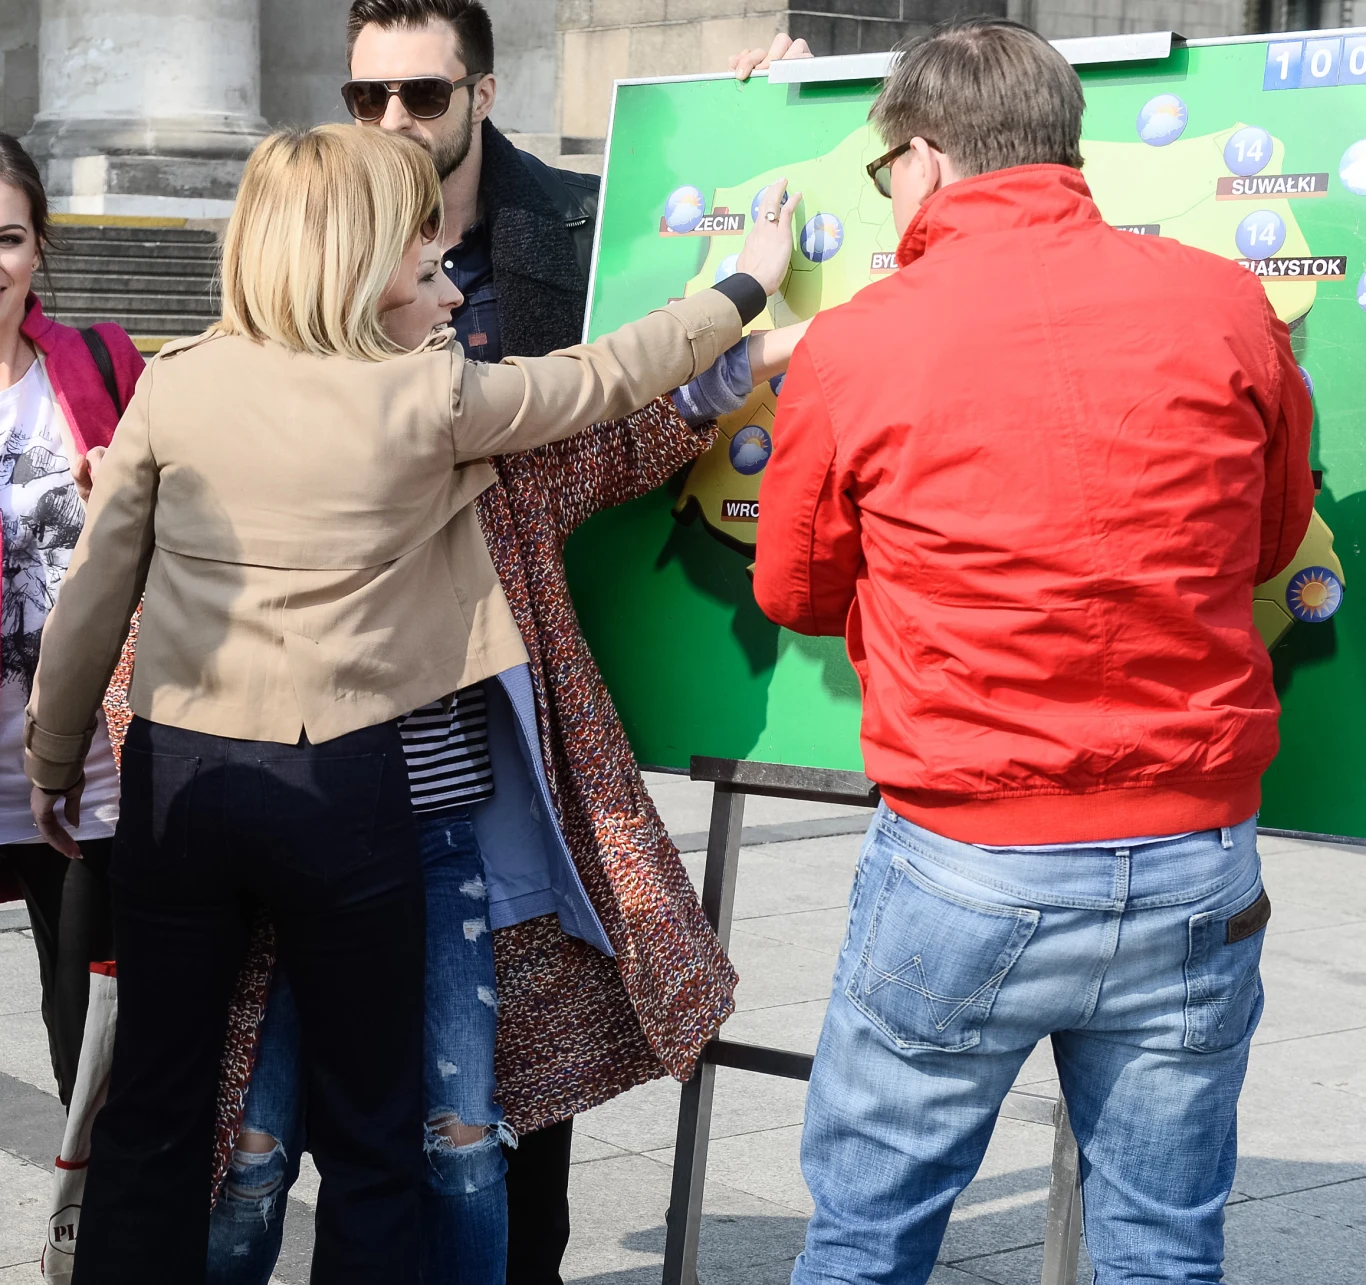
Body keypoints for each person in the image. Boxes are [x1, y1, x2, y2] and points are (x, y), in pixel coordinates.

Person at [26, 123, 793, 1285]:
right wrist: (738, 289)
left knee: (157, 1103)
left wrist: (52, 759)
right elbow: (603, 379)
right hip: (343, 787)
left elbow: (94, 592)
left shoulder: (176, 382)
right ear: (359, 255)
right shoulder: (425, 396)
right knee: (375, 1131)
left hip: (179, 777)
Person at [751, 19, 1313, 1285]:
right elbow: (1273, 539)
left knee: (866, 1241)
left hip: (966, 854)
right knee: (1164, 1246)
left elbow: (792, 588)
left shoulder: (859, 340)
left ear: (924, 158)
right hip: (1195, 851)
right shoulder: (1227, 302)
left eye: (884, 168)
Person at [204, 230, 809, 1284]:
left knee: (465, 1134)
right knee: (251, 1144)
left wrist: (757, 349)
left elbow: (628, 425)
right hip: (297, 854)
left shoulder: (490, 450)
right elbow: (145, 655)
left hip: (445, 848)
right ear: (351, 296)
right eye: (426, 276)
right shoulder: (243, 449)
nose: (456, 300)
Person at [0, 133, 143, 1108]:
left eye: (7, 238)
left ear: (38, 247)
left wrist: (124, 499)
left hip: (85, 781)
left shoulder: (102, 363)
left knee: (92, 1070)